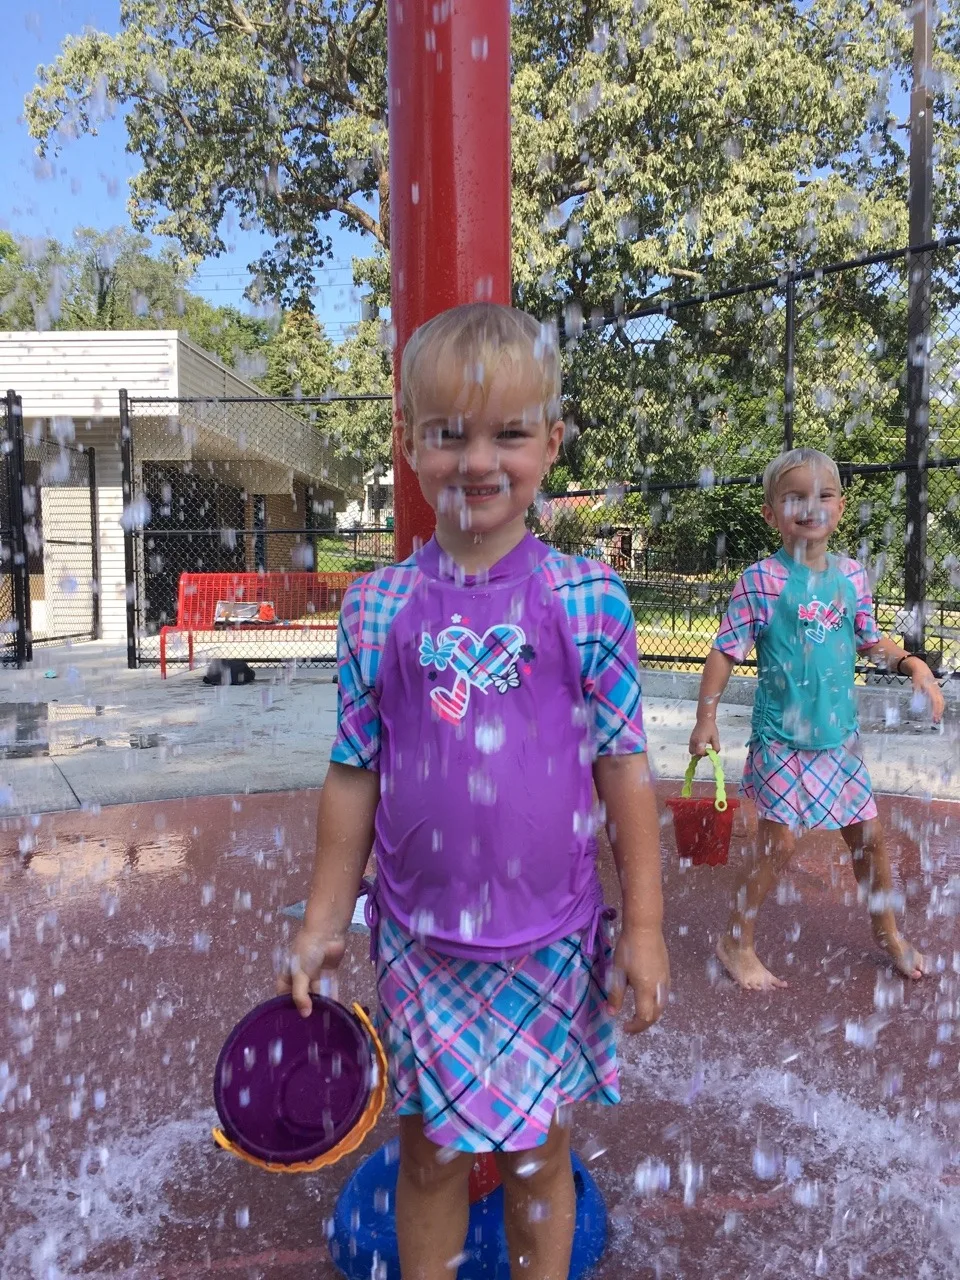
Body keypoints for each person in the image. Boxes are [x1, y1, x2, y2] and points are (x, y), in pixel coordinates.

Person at [278, 303, 669, 1280]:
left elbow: (623, 768)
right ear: (407, 442)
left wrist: (650, 925)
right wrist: (326, 917)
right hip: (422, 943)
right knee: (431, 1151)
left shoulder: (586, 600)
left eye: (509, 433)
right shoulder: (380, 606)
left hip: (552, 940)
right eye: (449, 433)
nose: (479, 459)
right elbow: (353, 769)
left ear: (552, 442)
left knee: (541, 1155)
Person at [689, 447, 945, 992]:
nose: (811, 507)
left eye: (823, 495)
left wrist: (910, 663)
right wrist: (705, 716)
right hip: (782, 740)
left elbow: (871, 641)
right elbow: (724, 652)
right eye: (794, 497)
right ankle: (735, 939)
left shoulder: (852, 577)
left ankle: (888, 934)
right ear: (770, 513)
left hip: (837, 742)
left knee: (868, 840)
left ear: (841, 507)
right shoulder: (761, 581)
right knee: (778, 846)